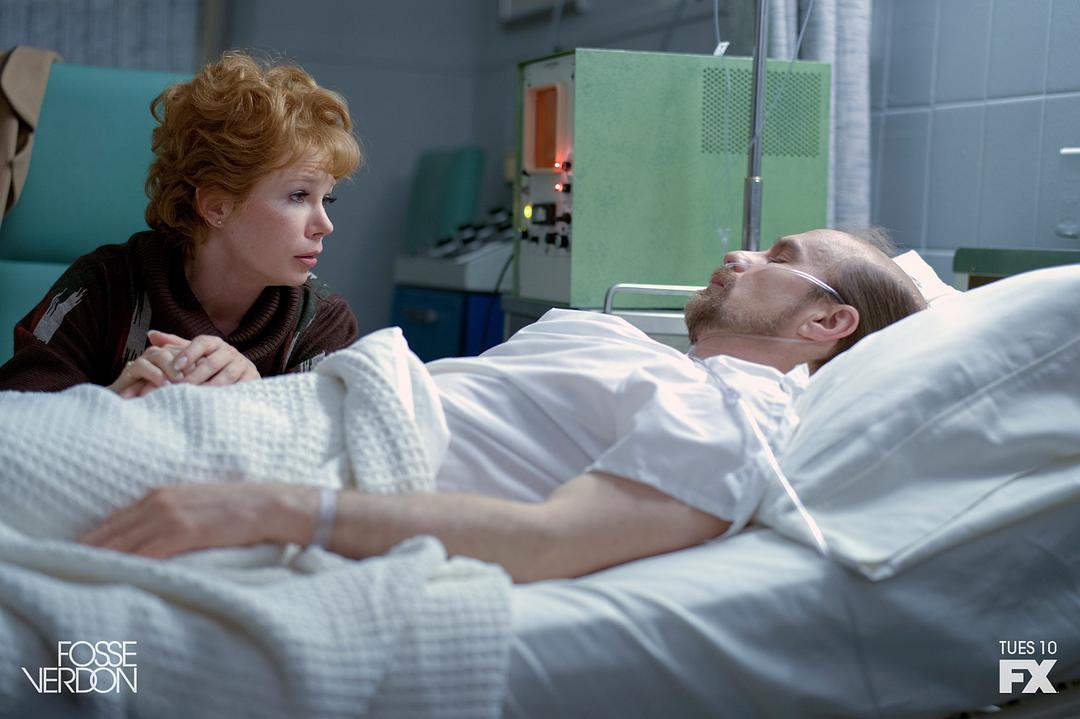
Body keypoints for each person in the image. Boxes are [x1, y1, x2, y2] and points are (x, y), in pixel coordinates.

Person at [81, 228, 927, 583]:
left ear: (827, 322)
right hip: (254, 425)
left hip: (278, 477)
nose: (742, 254)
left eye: (779, 255)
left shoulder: (731, 413)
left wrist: (260, 507)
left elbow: (553, 540)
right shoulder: (632, 349)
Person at [0, 51, 363, 395]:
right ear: (217, 206)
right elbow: (17, 416)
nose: (325, 225)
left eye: (326, 199)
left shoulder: (323, 322)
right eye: (299, 196)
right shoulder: (103, 285)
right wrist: (112, 402)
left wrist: (256, 399)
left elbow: (326, 440)